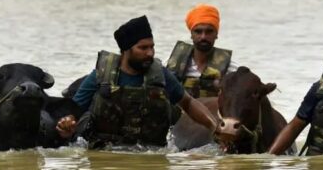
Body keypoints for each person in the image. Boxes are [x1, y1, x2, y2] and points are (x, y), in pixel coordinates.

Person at [56, 15, 225, 148]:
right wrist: (66, 125)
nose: (150, 53)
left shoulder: (161, 75)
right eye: (143, 48)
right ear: (126, 51)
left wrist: (214, 127)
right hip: (106, 151)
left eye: (152, 47)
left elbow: (188, 103)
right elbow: (74, 109)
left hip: (152, 150)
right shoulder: (101, 75)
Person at [165, 4, 237, 98]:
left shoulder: (231, 69)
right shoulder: (170, 64)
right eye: (198, 32)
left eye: (209, 32)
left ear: (216, 34)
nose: (203, 37)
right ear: (191, 34)